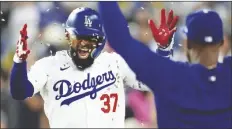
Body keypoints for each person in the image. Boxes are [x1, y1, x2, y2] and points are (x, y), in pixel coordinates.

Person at [9, 7, 156, 128]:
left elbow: (155, 81)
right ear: (68, 36)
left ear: (101, 40)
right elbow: (20, 92)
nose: (84, 43)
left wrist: (163, 49)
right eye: (79, 37)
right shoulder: (49, 65)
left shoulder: (116, 62)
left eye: (91, 38)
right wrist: (19, 62)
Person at [99, 2, 232, 128]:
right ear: (221, 42)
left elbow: (120, 40)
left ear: (188, 43)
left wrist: (163, 50)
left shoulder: (171, 75)